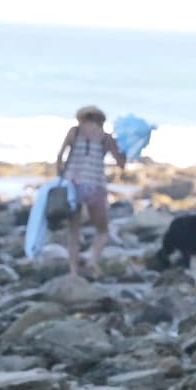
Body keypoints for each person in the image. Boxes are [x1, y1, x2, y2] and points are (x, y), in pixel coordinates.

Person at [55, 105, 126, 277]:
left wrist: (60, 177)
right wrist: (127, 150)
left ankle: (73, 272)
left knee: (73, 232)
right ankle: (92, 261)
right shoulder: (106, 138)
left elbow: (60, 157)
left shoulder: (74, 132)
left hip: (72, 187)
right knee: (102, 230)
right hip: (95, 186)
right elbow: (121, 163)